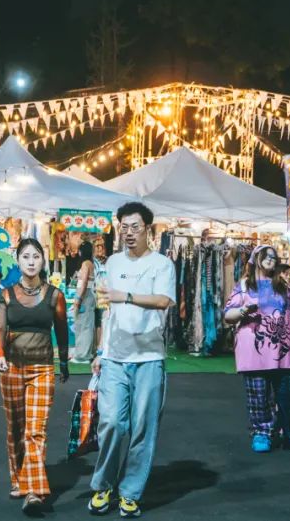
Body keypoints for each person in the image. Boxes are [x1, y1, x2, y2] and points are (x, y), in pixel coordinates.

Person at [89, 202, 175, 519]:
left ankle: (130, 493)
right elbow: (106, 311)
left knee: (143, 428)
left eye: (135, 227)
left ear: (147, 229)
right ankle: (103, 485)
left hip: (149, 357)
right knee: (111, 422)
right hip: (114, 356)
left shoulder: (162, 264)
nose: (128, 233)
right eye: (123, 227)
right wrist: (100, 351)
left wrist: (124, 296)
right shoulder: (112, 263)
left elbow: (164, 301)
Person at [0, 238, 69, 514]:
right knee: (15, 427)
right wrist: (0, 354)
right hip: (12, 367)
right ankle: (18, 478)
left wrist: (64, 361)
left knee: (35, 431)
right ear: (18, 260)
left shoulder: (55, 295)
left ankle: (34, 492)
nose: (31, 261)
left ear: (43, 260)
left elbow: (61, 329)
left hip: (42, 369)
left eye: (36, 256)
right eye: (26, 256)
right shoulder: (7, 295)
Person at [224, 245, 290, 454]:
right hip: (253, 351)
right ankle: (262, 433)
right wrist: (243, 310)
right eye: (265, 255)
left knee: (288, 396)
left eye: (273, 256)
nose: (270, 259)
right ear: (255, 258)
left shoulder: (283, 285)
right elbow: (227, 314)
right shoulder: (244, 285)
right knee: (258, 396)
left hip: (283, 351)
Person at [71, 240, 97, 363]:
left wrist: (78, 299)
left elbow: (84, 282)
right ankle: (84, 352)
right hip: (87, 295)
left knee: (84, 325)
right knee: (85, 324)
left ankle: (83, 355)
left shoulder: (86, 264)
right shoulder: (90, 263)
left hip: (85, 296)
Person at [92, 235, 109, 351]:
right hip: (97, 294)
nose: (99, 249)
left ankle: (99, 346)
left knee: (100, 321)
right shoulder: (93, 262)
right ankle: (98, 346)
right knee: (98, 321)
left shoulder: (106, 261)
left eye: (100, 247)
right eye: (97, 247)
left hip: (102, 294)